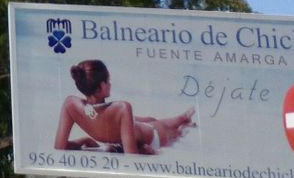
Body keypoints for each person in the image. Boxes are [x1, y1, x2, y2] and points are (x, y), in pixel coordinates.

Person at [53, 60, 195, 155]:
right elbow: (131, 156)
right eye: (107, 81)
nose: (110, 84)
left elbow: (59, 147)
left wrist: (82, 141)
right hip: (153, 136)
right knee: (174, 131)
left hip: (138, 129)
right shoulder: (121, 108)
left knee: (152, 121)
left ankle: (183, 118)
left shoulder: (70, 105)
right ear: (101, 86)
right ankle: (183, 120)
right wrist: (147, 152)